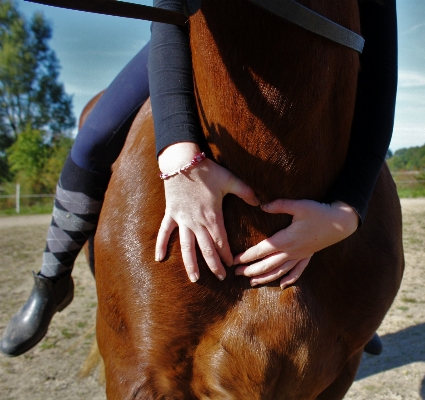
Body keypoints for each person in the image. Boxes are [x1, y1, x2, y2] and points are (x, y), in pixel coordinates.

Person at [1, 0, 397, 357]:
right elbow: (170, 6)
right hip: (193, 24)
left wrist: (347, 211)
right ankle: (52, 278)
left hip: (333, 50)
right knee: (92, 139)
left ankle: (354, 313)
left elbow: (381, 63)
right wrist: (177, 152)